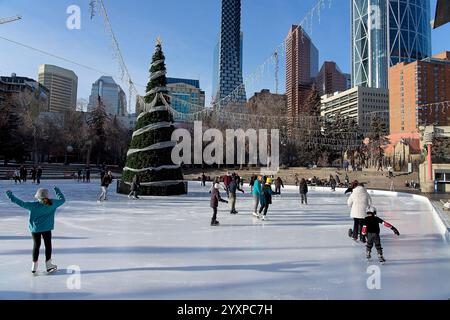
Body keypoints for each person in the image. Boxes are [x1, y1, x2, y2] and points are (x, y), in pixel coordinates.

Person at [5, 186, 66, 273]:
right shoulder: (52, 203)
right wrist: (57, 190)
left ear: (38, 196)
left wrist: (10, 195)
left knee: (36, 246)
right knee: (48, 245)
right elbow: (62, 200)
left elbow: (20, 202)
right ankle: (48, 265)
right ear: (47, 196)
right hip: (47, 228)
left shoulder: (32, 205)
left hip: (35, 229)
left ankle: (34, 266)